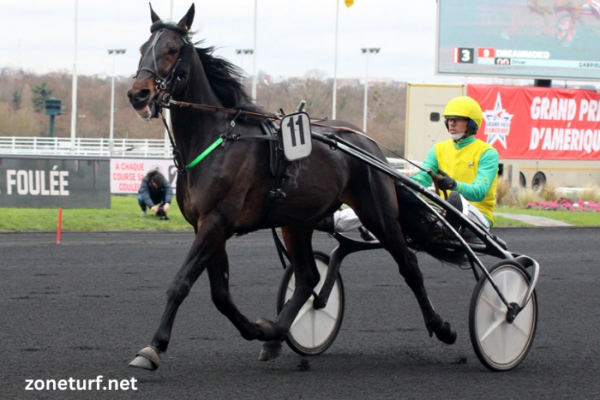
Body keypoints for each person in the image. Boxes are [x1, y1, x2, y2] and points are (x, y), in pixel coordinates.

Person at [411, 95, 499, 233]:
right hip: (448, 213)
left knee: (454, 197)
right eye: (449, 119)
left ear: (471, 123)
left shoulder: (487, 153)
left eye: (457, 119)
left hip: (479, 215)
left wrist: (454, 185)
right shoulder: (438, 149)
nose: (451, 123)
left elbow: (480, 192)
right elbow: (421, 179)